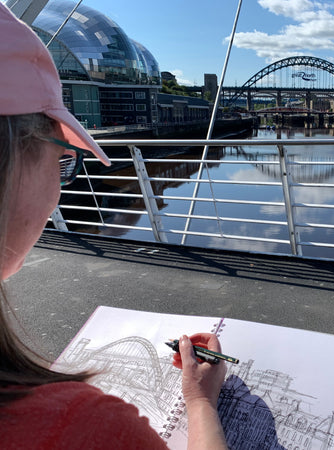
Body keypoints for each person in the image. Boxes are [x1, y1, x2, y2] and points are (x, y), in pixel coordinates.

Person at [0, 5, 227, 449]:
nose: (61, 188)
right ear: (14, 165)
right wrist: (200, 403)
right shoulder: (83, 428)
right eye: (63, 157)